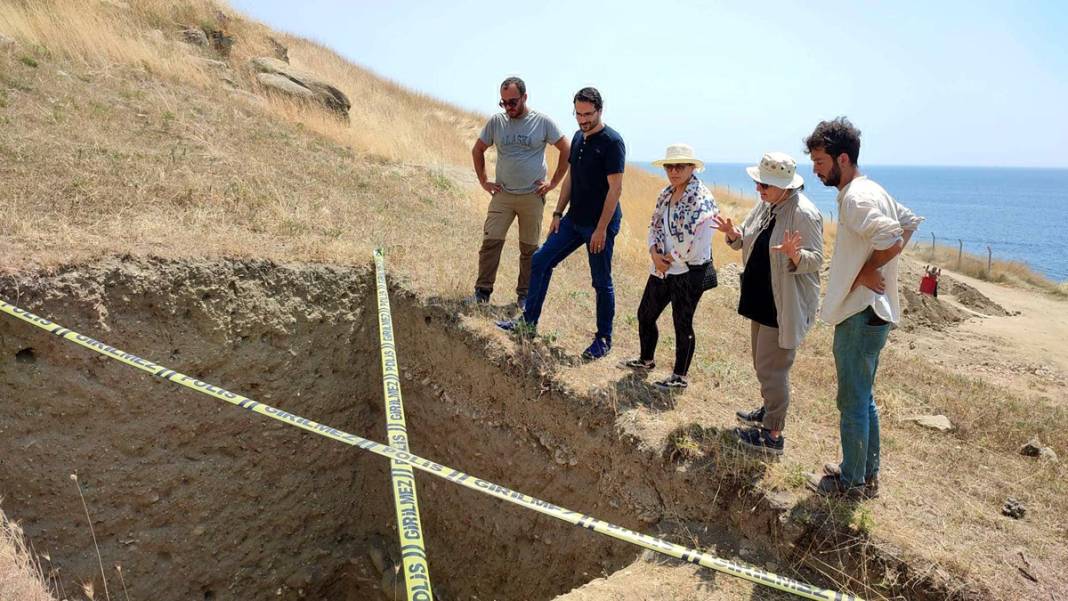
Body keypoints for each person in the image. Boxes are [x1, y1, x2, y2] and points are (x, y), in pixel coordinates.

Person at [803, 118, 923, 498]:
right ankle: (865, 473)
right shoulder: (871, 188)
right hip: (877, 311)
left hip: (860, 311)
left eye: (820, 162)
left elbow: (892, 234)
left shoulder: (855, 198)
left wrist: (869, 269)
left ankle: (851, 482)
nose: (816, 170)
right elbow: (908, 222)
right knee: (863, 396)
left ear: (843, 158)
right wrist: (875, 266)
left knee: (852, 400)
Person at [497, 87, 625, 360]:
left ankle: (603, 339)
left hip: (599, 225)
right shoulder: (578, 137)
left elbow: (615, 190)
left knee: (600, 282)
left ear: (600, 110)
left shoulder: (613, 142)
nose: (583, 120)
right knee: (541, 260)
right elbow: (570, 179)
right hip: (573, 220)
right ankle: (527, 323)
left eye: (588, 114)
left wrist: (602, 229)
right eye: (578, 114)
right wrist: (557, 213)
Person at [714, 152, 824, 455]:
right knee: (763, 364)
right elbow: (747, 239)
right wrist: (734, 236)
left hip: (783, 304)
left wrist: (795, 255)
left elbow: (816, 260)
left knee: (772, 369)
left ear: (785, 186)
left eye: (764, 185)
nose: (758, 190)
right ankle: (768, 410)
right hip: (762, 298)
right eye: (758, 183)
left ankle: (773, 436)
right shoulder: (767, 205)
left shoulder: (804, 213)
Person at [622, 144, 717, 389]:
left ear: (692, 168)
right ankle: (646, 359)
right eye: (669, 166)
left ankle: (679, 376)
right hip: (662, 266)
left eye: (680, 166)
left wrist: (667, 258)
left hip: (688, 270)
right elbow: (654, 226)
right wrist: (654, 252)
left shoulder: (702, 199)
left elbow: (699, 242)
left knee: (682, 322)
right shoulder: (666, 194)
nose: (674, 171)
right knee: (645, 313)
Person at [470, 76, 570, 307]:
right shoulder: (497, 122)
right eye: (503, 103)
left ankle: (524, 297)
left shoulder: (542, 122)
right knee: (490, 242)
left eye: (512, 102)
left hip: (532, 197)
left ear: (525, 97)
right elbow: (478, 150)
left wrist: (553, 183)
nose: (508, 107)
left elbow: (566, 149)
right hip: (502, 195)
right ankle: (482, 293)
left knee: (529, 249)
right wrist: (484, 182)